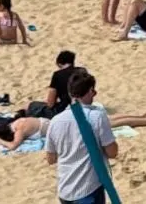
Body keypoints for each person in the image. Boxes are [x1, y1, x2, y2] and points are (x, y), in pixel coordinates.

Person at [44, 67, 118, 204]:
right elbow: (112, 152)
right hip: (88, 188)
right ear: (90, 91)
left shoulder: (55, 121)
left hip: (65, 189)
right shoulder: (97, 116)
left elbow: (51, 158)